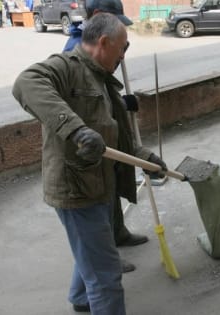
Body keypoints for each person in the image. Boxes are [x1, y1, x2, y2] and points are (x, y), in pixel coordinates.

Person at [12, 13, 167, 314]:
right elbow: (26, 82)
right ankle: (93, 298)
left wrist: (146, 158)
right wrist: (77, 130)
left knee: (92, 249)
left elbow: (115, 138)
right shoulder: (67, 67)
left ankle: (81, 297)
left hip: (99, 184)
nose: (124, 55)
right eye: (123, 48)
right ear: (104, 42)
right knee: (107, 275)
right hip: (77, 189)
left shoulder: (103, 79)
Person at [63, 0, 150, 263]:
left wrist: (121, 104)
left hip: (108, 139)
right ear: (99, 16)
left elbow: (101, 94)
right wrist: (121, 105)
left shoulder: (104, 45)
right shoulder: (75, 53)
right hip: (89, 148)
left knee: (112, 190)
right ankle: (108, 253)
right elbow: (84, 104)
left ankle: (118, 233)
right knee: (99, 208)